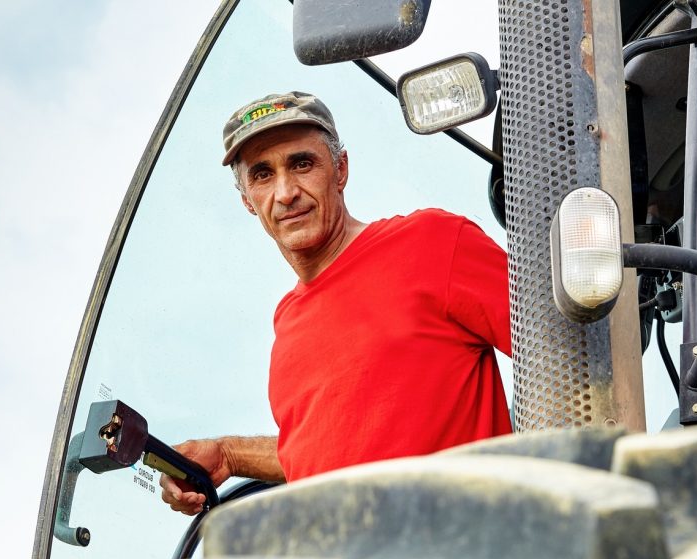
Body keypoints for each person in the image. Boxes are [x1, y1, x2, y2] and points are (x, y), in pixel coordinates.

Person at [160, 91, 512, 515]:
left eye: (302, 164)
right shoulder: (287, 329)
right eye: (262, 175)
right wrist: (230, 455)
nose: (286, 192)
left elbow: (571, 348)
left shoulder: (433, 243)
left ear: (340, 169)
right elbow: (327, 456)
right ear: (247, 201)